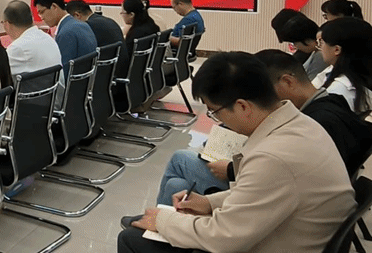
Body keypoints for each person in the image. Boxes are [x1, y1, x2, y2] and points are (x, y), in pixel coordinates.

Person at [118, 52, 355, 253]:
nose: (217, 119)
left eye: (215, 111)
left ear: (242, 106)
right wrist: (209, 203)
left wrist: (163, 221)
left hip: (276, 243)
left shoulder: (272, 157)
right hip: (290, 233)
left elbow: (223, 238)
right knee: (168, 205)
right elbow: (260, 194)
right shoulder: (302, 124)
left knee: (131, 239)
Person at [146, 49, 372, 208]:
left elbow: (230, 228)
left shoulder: (306, 129)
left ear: (287, 82)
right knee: (177, 185)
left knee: (180, 161)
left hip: (272, 217)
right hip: (286, 206)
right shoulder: (322, 110)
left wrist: (232, 170)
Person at [313, 16, 372, 114]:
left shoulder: (338, 91)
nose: (320, 48)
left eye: (322, 42)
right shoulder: (360, 78)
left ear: (337, 49)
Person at [32, 0, 96, 68]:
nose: (41, 17)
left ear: (54, 6)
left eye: (42, 12)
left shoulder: (66, 33)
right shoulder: (83, 25)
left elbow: (64, 70)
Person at [66, 0, 129, 75]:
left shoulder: (88, 26)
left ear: (77, 15)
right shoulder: (108, 20)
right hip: (120, 69)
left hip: (107, 73)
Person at [1, 0, 61, 77]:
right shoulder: (48, 38)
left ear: (7, 24)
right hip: (56, 85)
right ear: (31, 19)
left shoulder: (17, 48)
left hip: (37, 85)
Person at [275, 13, 326, 80]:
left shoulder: (320, 56)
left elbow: (310, 82)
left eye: (295, 43)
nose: (295, 46)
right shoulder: (316, 53)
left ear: (307, 41)